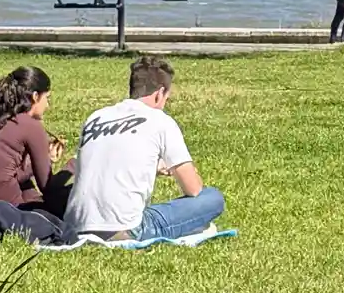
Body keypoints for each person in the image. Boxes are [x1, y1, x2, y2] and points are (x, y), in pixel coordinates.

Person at [61, 56, 226, 243]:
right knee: (212, 198)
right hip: (126, 229)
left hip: (75, 227)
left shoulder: (96, 117)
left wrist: (152, 166)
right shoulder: (160, 120)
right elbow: (193, 189)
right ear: (160, 93)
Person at [0, 64, 73, 238]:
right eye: (47, 98)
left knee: (28, 188)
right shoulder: (31, 126)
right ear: (35, 97)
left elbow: (5, 175)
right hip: (4, 216)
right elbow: (48, 188)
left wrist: (47, 158)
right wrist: (73, 166)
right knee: (66, 200)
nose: (48, 105)